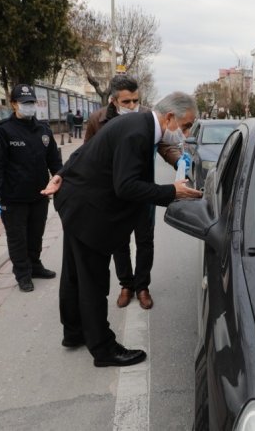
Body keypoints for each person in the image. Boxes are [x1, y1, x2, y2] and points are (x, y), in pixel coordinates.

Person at [40, 91, 202, 367]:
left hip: (76, 202)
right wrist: (171, 191)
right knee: (92, 281)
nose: (185, 134)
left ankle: (74, 332)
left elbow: (84, 151)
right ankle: (103, 349)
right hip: (89, 212)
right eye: (185, 126)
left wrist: (60, 175)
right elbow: (125, 186)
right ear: (170, 117)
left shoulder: (133, 123)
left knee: (74, 276)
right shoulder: (138, 133)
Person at [85, 75, 188, 309]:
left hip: (144, 191)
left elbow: (164, 145)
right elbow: (89, 154)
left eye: (135, 100)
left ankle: (142, 286)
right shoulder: (97, 120)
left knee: (145, 241)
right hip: (113, 194)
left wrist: (179, 161)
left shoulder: (148, 118)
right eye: (126, 102)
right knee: (118, 242)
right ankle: (126, 284)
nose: (133, 106)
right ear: (113, 100)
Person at [0, 84, 63, 292]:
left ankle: (35, 266)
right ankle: (22, 274)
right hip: (13, 198)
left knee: (36, 235)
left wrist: (60, 180)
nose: (29, 107)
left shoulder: (43, 130)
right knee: (18, 238)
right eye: (24, 103)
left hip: (39, 195)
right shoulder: (2, 130)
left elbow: (55, 161)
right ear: (13, 104)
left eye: (31, 103)